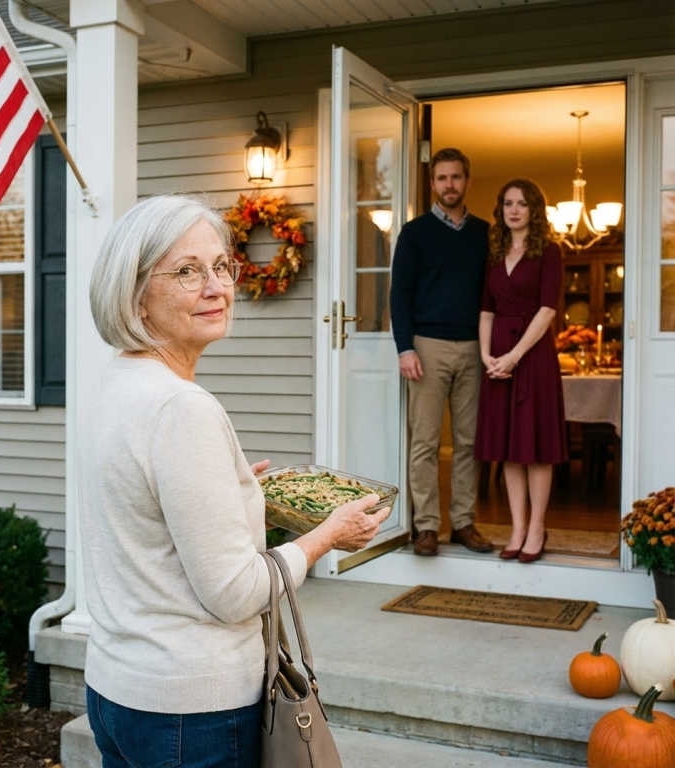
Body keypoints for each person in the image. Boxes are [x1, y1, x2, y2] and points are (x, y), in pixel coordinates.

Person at [76, 193, 391, 768]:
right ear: (137, 295)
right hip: (189, 712)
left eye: (221, 266)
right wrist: (326, 535)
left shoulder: (114, 383)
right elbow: (236, 595)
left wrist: (227, 487)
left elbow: (139, 501)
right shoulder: (180, 408)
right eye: (187, 271)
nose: (217, 286)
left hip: (117, 692)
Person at [390, 148, 493, 557]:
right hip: (427, 348)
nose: (449, 185)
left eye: (456, 177)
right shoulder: (414, 233)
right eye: (442, 178)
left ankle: (464, 523)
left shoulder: (486, 233)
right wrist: (405, 348)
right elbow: (400, 294)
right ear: (433, 184)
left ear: (467, 181)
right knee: (425, 442)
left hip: (474, 348)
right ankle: (427, 527)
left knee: (469, 442)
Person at [474, 179, 568, 563]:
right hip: (497, 360)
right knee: (509, 450)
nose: (514, 210)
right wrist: (486, 355)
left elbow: (547, 310)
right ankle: (516, 528)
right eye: (508, 203)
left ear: (534, 210)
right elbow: (485, 309)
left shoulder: (549, 251)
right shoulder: (494, 253)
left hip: (533, 357)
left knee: (536, 449)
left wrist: (514, 356)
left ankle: (537, 528)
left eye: (523, 204)